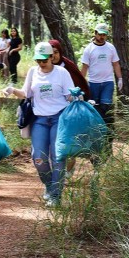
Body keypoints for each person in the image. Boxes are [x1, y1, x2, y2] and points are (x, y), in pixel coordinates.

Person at [2, 42, 75, 207]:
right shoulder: (33, 72)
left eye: (45, 60)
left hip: (59, 118)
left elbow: (69, 96)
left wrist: (76, 96)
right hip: (39, 120)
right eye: (38, 60)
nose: (41, 63)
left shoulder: (62, 73)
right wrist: (12, 90)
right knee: (38, 158)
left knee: (58, 157)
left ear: (52, 57)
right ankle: (49, 186)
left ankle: (56, 196)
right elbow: (27, 93)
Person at [49, 39, 91, 175]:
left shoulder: (68, 66)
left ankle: (69, 166)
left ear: (60, 52)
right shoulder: (43, 67)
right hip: (51, 111)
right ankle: (57, 170)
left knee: (69, 139)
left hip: (70, 110)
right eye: (50, 53)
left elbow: (80, 84)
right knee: (54, 141)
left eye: (56, 52)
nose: (53, 56)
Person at [80, 23, 122, 128]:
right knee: (94, 107)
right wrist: (81, 83)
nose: (102, 37)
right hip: (93, 83)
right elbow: (84, 67)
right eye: (100, 34)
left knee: (106, 107)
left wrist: (120, 78)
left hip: (108, 82)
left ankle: (108, 132)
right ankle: (96, 130)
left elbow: (116, 64)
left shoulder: (111, 48)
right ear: (95, 33)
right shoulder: (89, 49)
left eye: (104, 34)